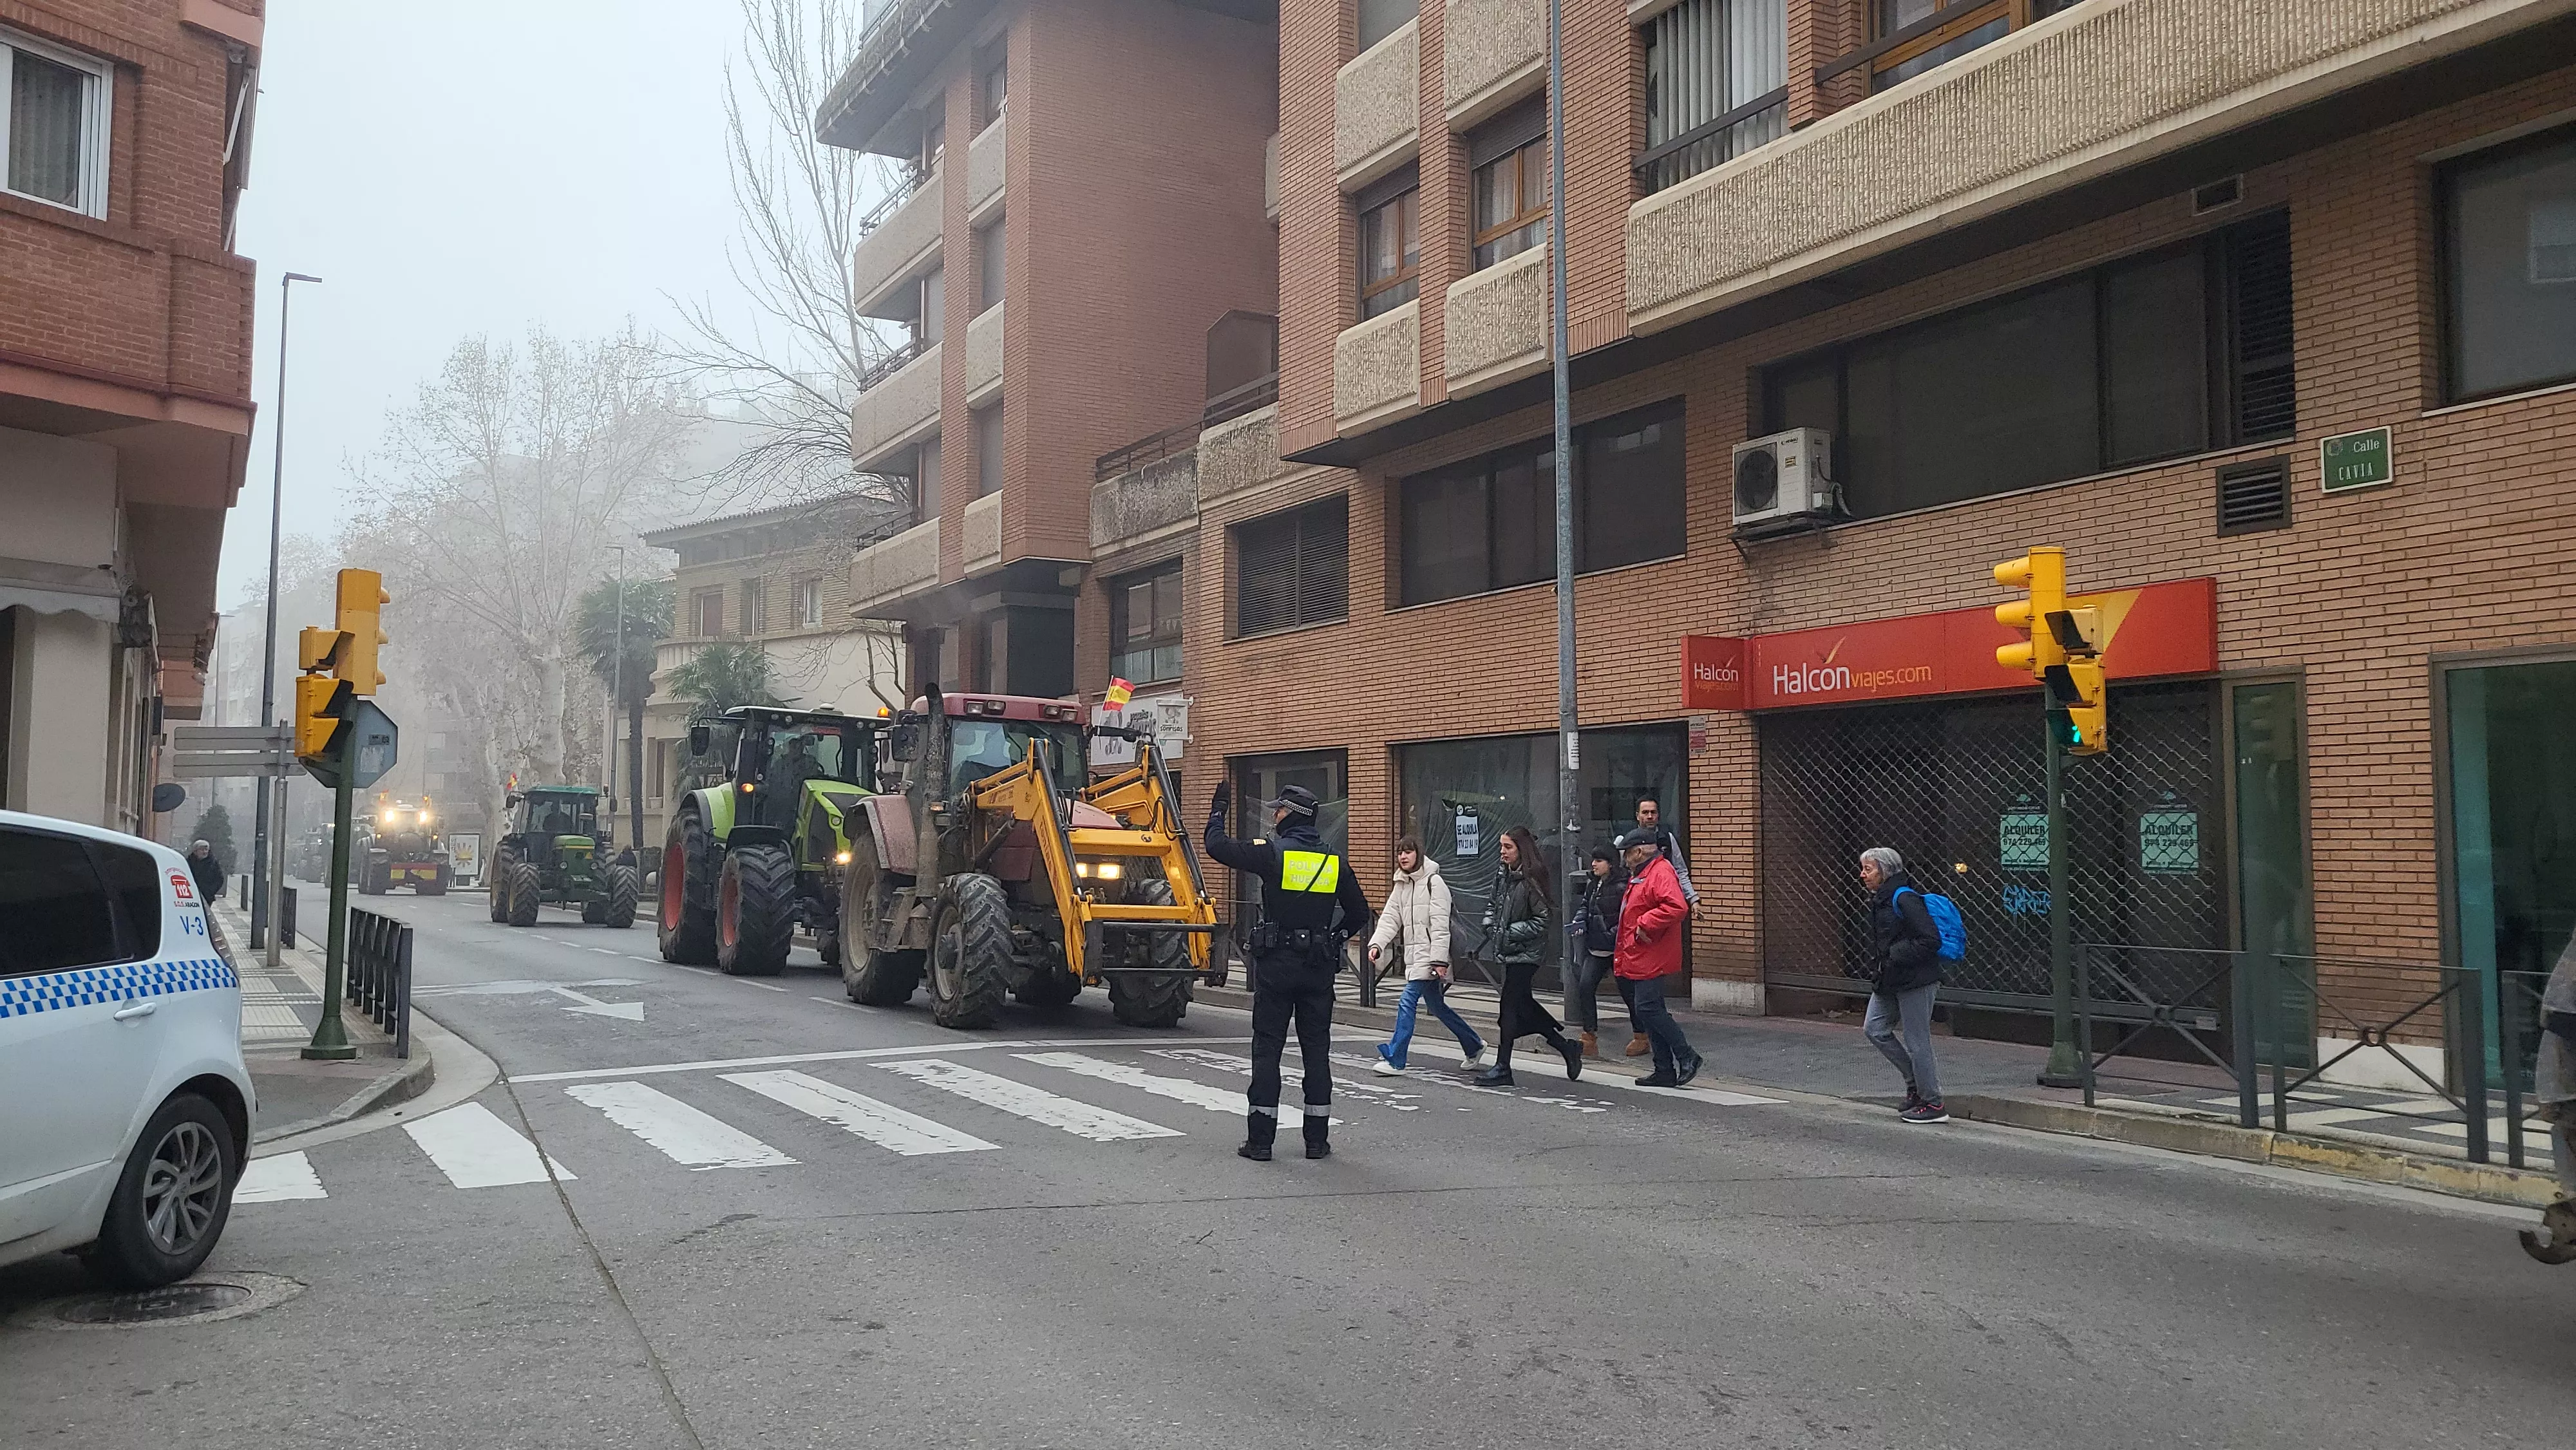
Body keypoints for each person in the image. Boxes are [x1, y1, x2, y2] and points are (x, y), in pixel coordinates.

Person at [1206, 780, 1373, 1161]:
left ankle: (1261, 1142)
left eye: (1279, 811)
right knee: (1317, 1053)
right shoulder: (1334, 860)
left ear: (1290, 815)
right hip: (1318, 968)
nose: (1275, 816)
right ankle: (1317, 1142)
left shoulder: (1273, 853)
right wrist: (1333, 938)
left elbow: (1217, 847)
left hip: (1277, 966)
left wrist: (1219, 809)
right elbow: (1360, 913)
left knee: (1268, 1051)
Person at [1367, 837, 1486, 1075]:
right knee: (1437, 1006)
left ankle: (1396, 1059)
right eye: (1400, 853)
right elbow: (1390, 918)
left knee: (1407, 1001)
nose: (1403, 857)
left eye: (1408, 852)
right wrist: (1377, 944)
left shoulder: (1435, 882)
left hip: (1430, 957)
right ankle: (1474, 1045)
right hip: (1416, 955)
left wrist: (1440, 960)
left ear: (1418, 854)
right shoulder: (1402, 884)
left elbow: (1441, 925)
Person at [1477, 826, 1582, 1087]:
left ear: (1521, 849)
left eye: (1508, 847)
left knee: (1509, 1010)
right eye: (1501, 846)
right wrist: (1491, 926)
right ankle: (1566, 1047)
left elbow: (1542, 920)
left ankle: (1503, 1067)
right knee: (1522, 1006)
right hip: (1508, 950)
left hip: (1527, 954)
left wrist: (1509, 932)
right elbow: (1493, 905)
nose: (1503, 852)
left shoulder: (1531, 878)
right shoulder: (1503, 874)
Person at [1859, 846, 1947, 1124]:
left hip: (1915, 979)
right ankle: (1916, 1085)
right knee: (1874, 1029)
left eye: (1869, 869)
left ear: (1885, 871)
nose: (1863, 875)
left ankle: (1933, 1103)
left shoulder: (1905, 898)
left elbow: (1930, 940)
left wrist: (1895, 955)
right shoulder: (1882, 899)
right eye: (1863, 869)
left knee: (1917, 1040)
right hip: (1890, 978)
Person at [1615, 829, 1701, 1087]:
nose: (1626, 861)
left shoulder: (1659, 872)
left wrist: (1645, 922)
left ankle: (1686, 1055)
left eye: (1628, 855)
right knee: (1650, 1009)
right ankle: (1664, 1068)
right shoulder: (1646, 873)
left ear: (1640, 851)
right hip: (1644, 951)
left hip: (1652, 951)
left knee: (1648, 1008)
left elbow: (1676, 906)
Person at [1566, 845, 1638, 1059]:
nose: (1594, 864)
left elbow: (1627, 916)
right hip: (1596, 949)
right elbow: (1586, 906)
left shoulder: (1623, 886)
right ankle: (1589, 1037)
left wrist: (1611, 934)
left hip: (1617, 950)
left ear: (1611, 864)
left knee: (1629, 994)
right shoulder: (1593, 883)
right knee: (1585, 987)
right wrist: (1579, 920)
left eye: (1599, 860)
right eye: (1594, 860)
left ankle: (1642, 1035)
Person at [185, 838, 223, 903]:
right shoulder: (188, 862)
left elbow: (219, 879)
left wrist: (210, 892)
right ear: (195, 851)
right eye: (202, 850)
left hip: (207, 897)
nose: (204, 852)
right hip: (191, 895)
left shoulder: (213, 863)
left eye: (206, 850)